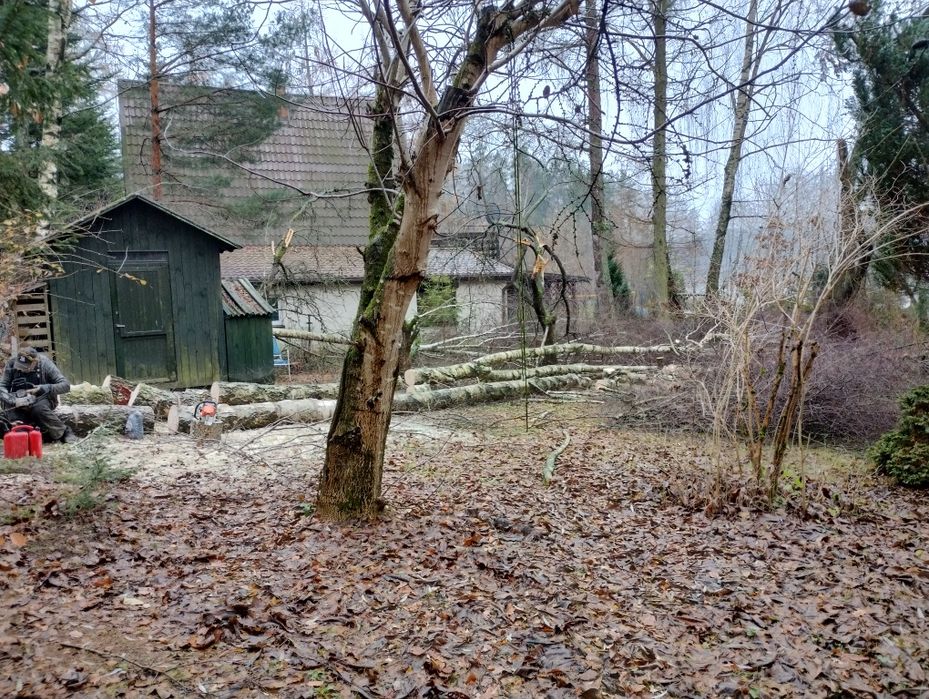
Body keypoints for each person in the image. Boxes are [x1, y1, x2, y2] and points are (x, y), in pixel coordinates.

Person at [0, 346, 77, 444]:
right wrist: (12, 400)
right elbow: (2, 386)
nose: (22, 370)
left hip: (41, 398)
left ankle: (64, 432)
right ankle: (24, 434)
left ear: (34, 362)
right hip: (18, 400)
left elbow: (65, 385)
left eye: (25, 367)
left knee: (38, 409)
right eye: (19, 367)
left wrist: (43, 388)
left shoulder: (45, 364)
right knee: (11, 415)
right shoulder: (11, 364)